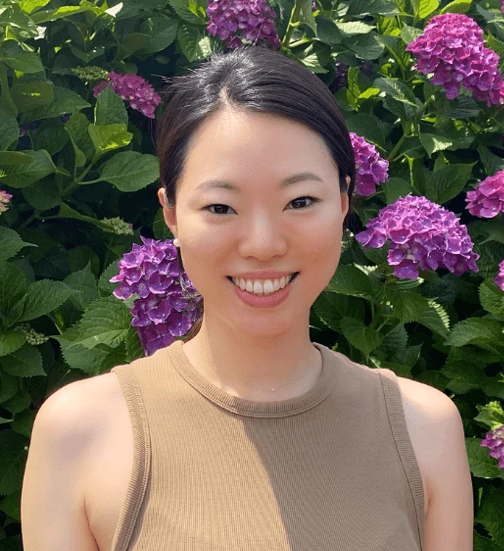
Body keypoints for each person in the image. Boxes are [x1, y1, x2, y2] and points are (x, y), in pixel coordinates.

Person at [20, 45, 473, 551]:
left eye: (300, 201)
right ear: (171, 214)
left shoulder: (425, 430)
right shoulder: (79, 433)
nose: (262, 244)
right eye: (220, 206)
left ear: (344, 202)